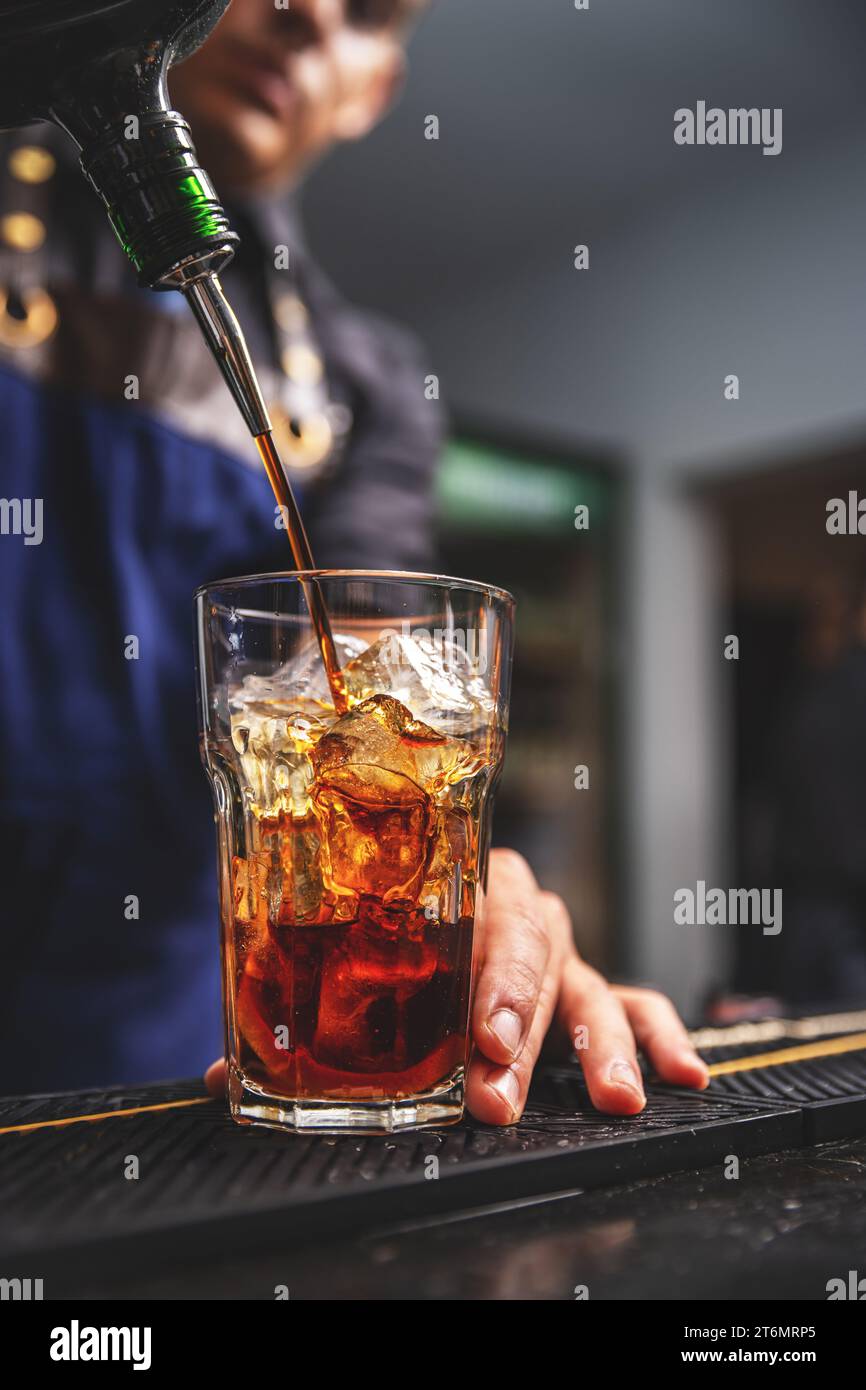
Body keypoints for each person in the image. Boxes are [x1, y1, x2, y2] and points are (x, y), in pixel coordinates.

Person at [0, 0, 708, 1118]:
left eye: (367, 12)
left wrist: (479, 893)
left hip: (172, 1057)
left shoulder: (365, 387)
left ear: (375, 91)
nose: (302, 14)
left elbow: (384, 698)